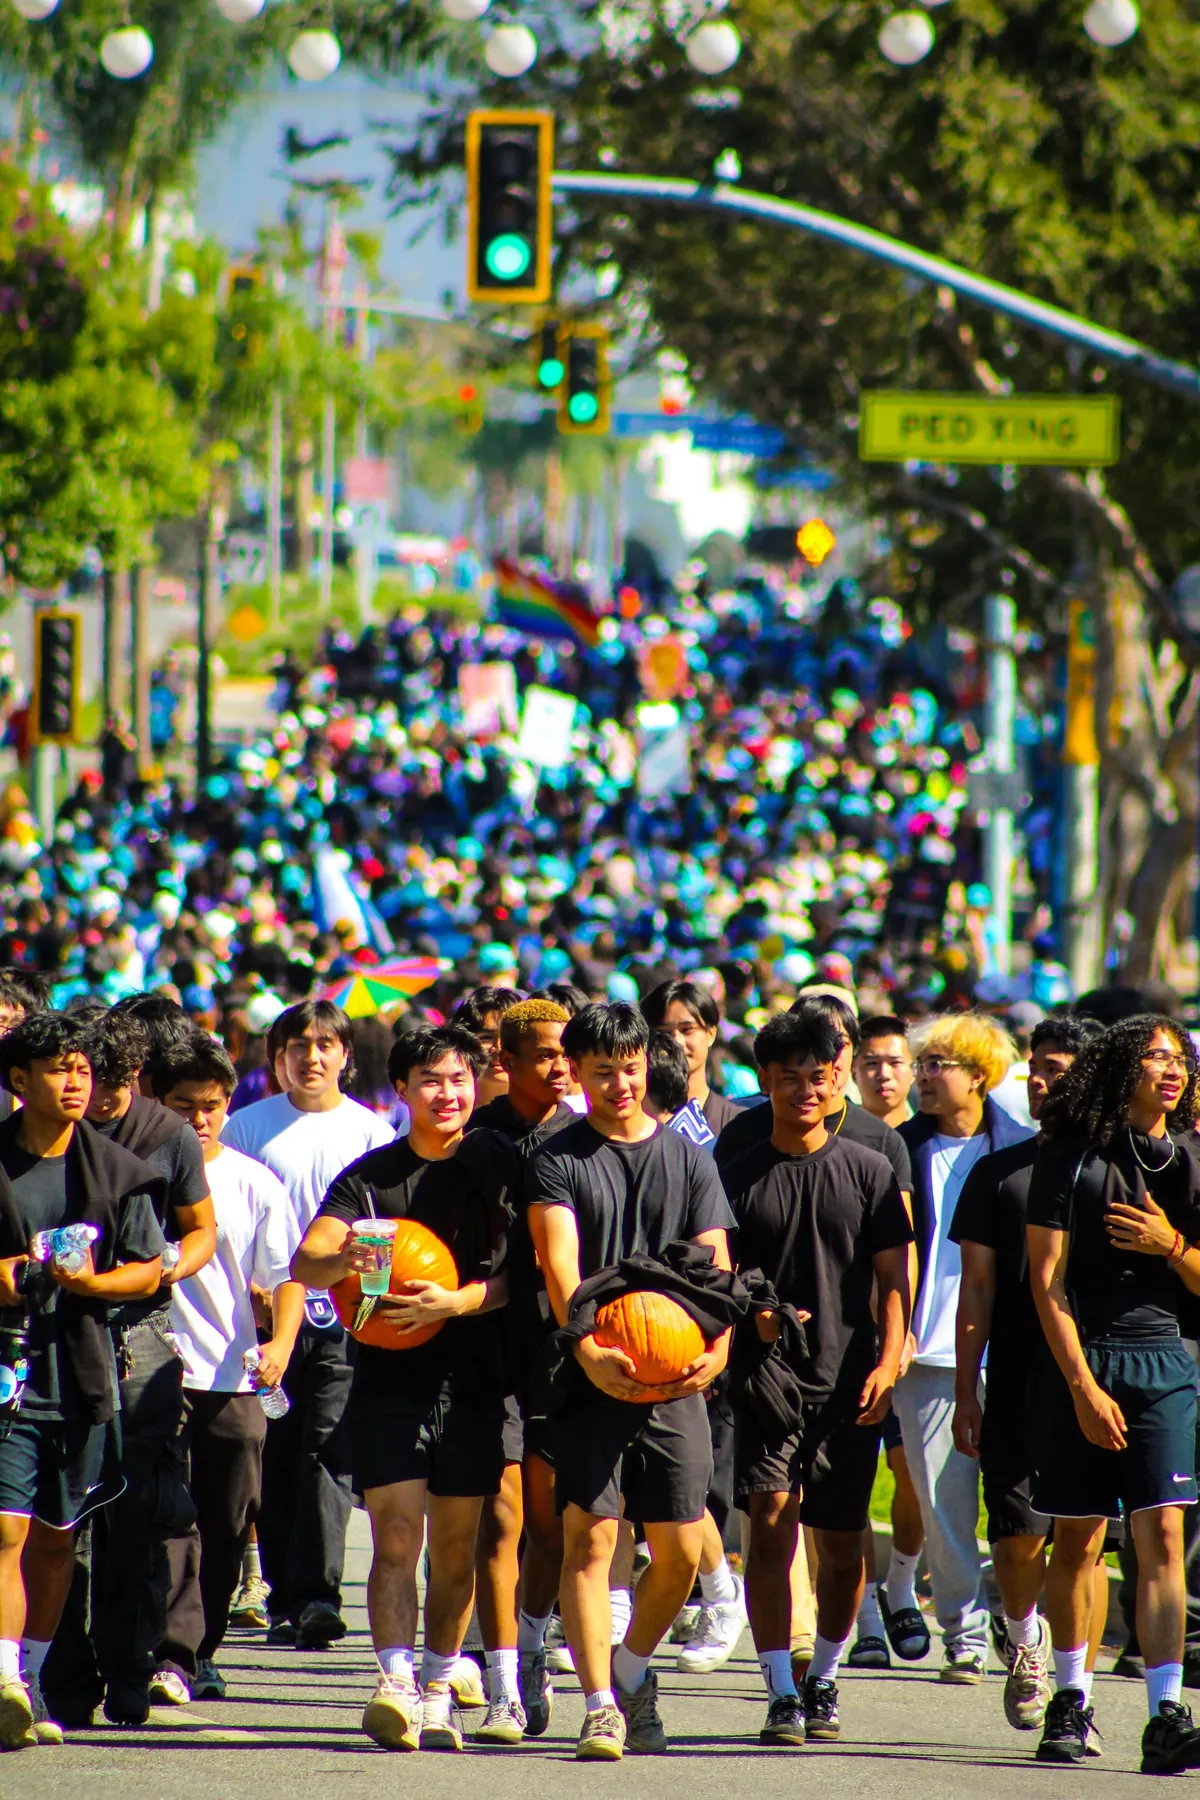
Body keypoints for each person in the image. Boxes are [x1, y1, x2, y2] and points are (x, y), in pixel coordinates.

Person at [291, 1023, 518, 1754]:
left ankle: (439, 1687)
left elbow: (525, 1276)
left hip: (475, 1377)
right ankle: (392, 1681)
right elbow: (311, 1259)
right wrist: (345, 1252)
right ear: (403, 1091)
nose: (447, 1094)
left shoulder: (498, 1169)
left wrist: (457, 1303)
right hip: (389, 1378)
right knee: (395, 1536)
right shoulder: (373, 1176)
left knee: (455, 1550)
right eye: (430, 1081)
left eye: (458, 1080)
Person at [527, 1002, 736, 1761]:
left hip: (678, 1375)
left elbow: (716, 1264)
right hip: (592, 1374)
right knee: (592, 1540)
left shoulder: (688, 1158)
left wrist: (719, 1345)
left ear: (648, 1065)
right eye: (603, 1070)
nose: (620, 1083)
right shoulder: (558, 1156)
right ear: (578, 1075)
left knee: (681, 1550)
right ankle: (597, 1707)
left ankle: (629, 1669)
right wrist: (584, 1346)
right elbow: (559, 1266)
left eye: (631, 1067)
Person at [722, 1010, 912, 1746]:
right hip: (767, 1383)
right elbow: (714, 1279)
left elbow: (896, 1283)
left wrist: (891, 1364)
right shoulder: (734, 1178)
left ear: (839, 1078)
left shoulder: (870, 1170)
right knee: (769, 1527)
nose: (805, 1088)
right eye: (789, 1076)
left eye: (819, 1075)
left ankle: (824, 1677)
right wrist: (753, 1321)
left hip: (850, 1385)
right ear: (765, 1080)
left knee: (840, 1549)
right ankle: (778, 1689)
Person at [1027, 1016, 1200, 1773]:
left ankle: (1166, 1712)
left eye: (1179, 1058)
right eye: (1154, 1055)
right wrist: (1081, 1386)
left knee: (1162, 1536)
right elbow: (1045, 1280)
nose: (1170, 1068)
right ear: (1118, 1066)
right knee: (1080, 1539)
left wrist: (1172, 1247)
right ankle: (1071, 1698)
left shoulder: (1193, 1159)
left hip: (1166, 1359)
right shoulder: (1070, 1156)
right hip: (1084, 1360)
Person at [0, 1012, 165, 1749]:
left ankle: (30, 1680)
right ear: (18, 1081)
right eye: (59, 1068)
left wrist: (92, 1284)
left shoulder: (118, 1170)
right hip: (8, 1366)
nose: (75, 1081)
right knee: (4, 1529)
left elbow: (150, 1268)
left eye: (83, 1069)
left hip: (82, 1371)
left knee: (57, 1539)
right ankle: (4, 1676)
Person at [222, 999, 394, 1649]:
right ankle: (282, 1592)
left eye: (326, 1045)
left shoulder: (372, 1135)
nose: (313, 1057)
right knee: (276, 1454)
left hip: (343, 1318)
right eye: (299, 1045)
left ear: (347, 1057)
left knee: (327, 1450)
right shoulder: (244, 1128)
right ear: (277, 1059)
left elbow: (383, 1234)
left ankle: (319, 1595)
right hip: (262, 1317)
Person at [950, 1014, 1104, 1734]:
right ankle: (1024, 1635)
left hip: (1098, 1376)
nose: (1041, 1081)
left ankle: (1077, 1691)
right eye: (1035, 1067)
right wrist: (964, 1389)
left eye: (1059, 1068)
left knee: (1083, 1540)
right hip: (1013, 1377)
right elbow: (975, 1288)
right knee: (1017, 1537)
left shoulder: (1114, 1165)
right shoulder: (996, 1172)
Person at [151, 1034, 305, 1701]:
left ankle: (201, 1649)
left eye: (211, 1105)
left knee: (223, 1517)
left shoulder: (254, 1181)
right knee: (166, 1518)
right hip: (155, 1371)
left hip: (234, 1375)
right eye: (183, 1105)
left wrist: (281, 1346)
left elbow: (288, 1277)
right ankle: (170, 1656)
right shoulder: (136, 1173)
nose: (199, 1119)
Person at [893, 1012, 1031, 1682]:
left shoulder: (1022, 1151)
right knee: (944, 1510)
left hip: (1010, 1356)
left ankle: (1022, 1624)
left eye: (939, 1063)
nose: (923, 1075)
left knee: (1022, 1507)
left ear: (980, 1075)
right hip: (925, 1358)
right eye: (922, 1063)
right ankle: (966, 1633)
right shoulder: (897, 1148)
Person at [465, 998, 577, 1739]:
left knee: (552, 1527)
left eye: (567, 1051)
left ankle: (533, 1645)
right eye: (542, 1053)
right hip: (491, 1351)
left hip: (569, 1355)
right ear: (504, 1061)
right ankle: (502, 1678)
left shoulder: (588, 1134)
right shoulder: (477, 1143)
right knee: (503, 1518)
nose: (559, 1065)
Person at [643, 979, 740, 1134]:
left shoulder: (736, 1122)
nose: (677, 1041)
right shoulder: (635, 1122)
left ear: (711, 1033)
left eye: (687, 1030)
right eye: (665, 1033)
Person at [452, 988, 523, 1109]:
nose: (498, 1048)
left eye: (508, 1037)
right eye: (486, 1038)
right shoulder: (446, 1116)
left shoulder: (550, 1115)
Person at [853, 1015, 914, 1129]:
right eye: (872, 1063)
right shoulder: (838, 1137)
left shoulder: (927, 1141)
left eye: (895, 1063)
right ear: (853, 1071)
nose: (884, 1074)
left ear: (914, 1070)